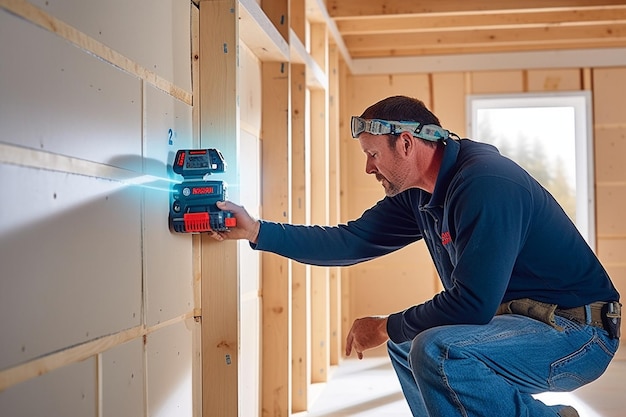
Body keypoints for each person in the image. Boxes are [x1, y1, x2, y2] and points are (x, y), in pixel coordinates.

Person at [210, 95, 621, 417]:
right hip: (520, 325)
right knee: (406, 345)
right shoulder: (420, 196)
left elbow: (472, 305)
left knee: (435, 348)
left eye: (373, 154)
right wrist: (257, 230)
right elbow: (349, 241)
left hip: (578, 336)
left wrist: (385, 324)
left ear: (405, 143)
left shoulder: (485, 184)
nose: (369, 168)